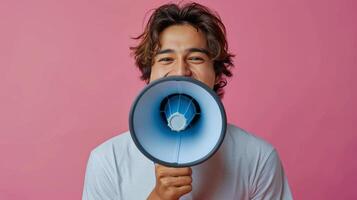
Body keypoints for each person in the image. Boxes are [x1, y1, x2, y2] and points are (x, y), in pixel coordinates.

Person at [82, 2, 293, 200]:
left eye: (196, 58)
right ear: (149, 74)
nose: (181, 71)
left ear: (217, 73)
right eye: (166, 59)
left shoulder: (258, 158)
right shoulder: (109, 161)